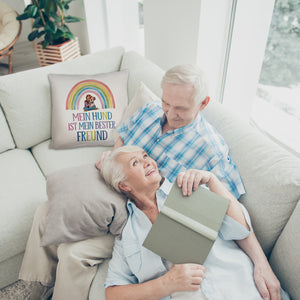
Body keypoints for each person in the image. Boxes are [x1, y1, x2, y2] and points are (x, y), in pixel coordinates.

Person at [19, 65, 280, 299]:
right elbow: (124, 138)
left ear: (203, 104)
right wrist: (113, 158)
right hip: (120, 184)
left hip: (143, 211)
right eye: (167, 102)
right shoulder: (151, 110)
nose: (169, 112)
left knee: (74, 253)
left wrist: (261, 263)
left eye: (180, 108)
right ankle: (36, 284)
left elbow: (229, 211)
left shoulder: (211, 151)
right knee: (49, 208)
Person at [100, 145, 288, 300]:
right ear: (124, 185)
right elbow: (113, 293)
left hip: (243, 290)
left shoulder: (188, 188)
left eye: (145, 156)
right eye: (136, 162)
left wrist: (212, 180)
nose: (148, 162)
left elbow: (240, 229)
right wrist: (166, 283)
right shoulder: (128, 236)